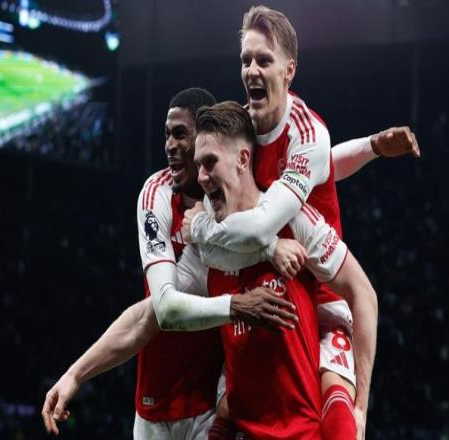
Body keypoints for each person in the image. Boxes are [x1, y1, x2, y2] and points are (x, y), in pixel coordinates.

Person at [184, 6, 418, 440]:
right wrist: (371, 146)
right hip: (265, 283)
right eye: (245, 60)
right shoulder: (241, 129)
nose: (252, 70)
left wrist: (204, 229)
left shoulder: (306, 135)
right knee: (230, 406)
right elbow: (323, 166)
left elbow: (272, 214)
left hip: (322, 288)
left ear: (289, 70)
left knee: (338, 415)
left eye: (264, 60)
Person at [41, 88, 300, 440]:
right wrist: (76, 373)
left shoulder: (240, 205)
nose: (170, 145)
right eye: (167, 135)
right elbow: (157, 311)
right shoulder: (157, 195)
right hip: (152, 407)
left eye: (181, 134)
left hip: (212, 408)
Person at [187, 100, 377, 439]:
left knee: (338, 403)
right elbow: (160, 312)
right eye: (198, 165)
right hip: (244, 424)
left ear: (243, 159)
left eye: (210, 162)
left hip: (302, 428)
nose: (201, 177)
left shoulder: (296, 221)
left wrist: (359, 408)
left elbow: (363, 293)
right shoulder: (201, 236)